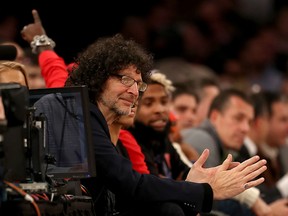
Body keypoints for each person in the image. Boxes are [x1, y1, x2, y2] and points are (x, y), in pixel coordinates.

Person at [22, 10, 267, 216]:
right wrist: (205, 191)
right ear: (98, 77)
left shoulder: (112, 128)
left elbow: (136, 186)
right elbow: (131, 184)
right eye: (125, 79)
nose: (134, 91)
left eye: (138, 85)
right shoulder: (79, 111)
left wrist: (195, 187)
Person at [182, 88, 288, 215]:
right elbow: (209, 202)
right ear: (215, 117)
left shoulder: (224, 146)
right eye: (238, 118)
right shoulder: (202, 140)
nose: (245, 128)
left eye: (249, 121)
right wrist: (266, 212)